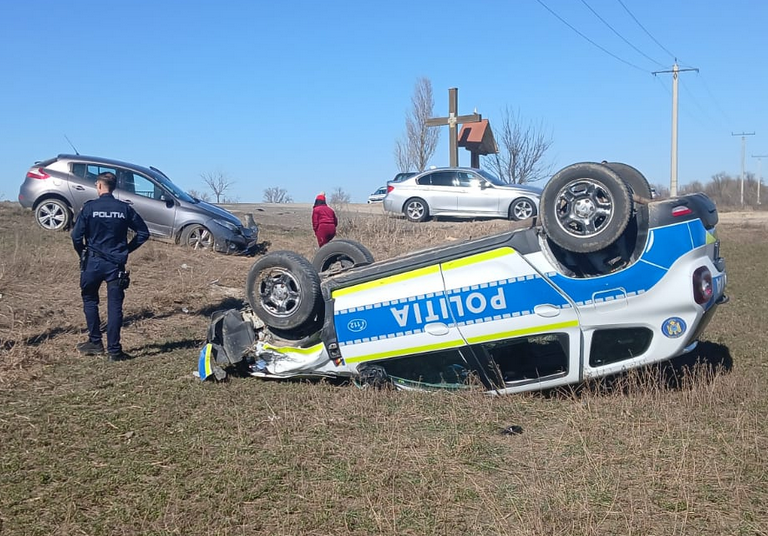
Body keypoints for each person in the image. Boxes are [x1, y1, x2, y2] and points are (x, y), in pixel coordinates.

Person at [71, 172, 150, 361]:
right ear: (113, 187)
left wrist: (82, 253)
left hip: (92, 262)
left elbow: (76, 236)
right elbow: (143, 233)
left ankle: (95, 342)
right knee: (114, 306)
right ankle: (114, 351)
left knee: (90, 300)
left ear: (99, 186)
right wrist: (126, 250)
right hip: (116, 264)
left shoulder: (89, 208)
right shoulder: (124, 209)